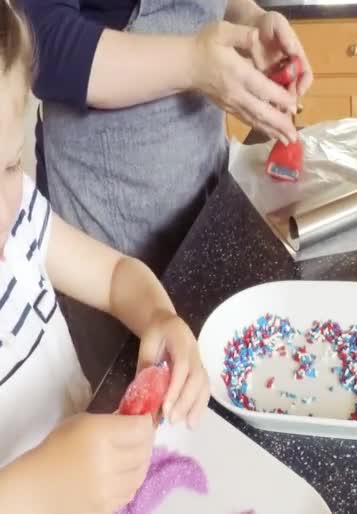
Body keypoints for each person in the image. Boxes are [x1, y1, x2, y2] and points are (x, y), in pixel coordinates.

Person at [21, 0, 313, 388]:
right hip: (113, 215)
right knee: (144, 400)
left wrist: (250, 20)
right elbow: (44, 45)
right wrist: (194, 63)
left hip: (203, 182)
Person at [0, 4, 209, 512]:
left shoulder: (19, 216)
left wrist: (159, 317)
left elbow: (115, 275)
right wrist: (31, 492)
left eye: (7, 164)